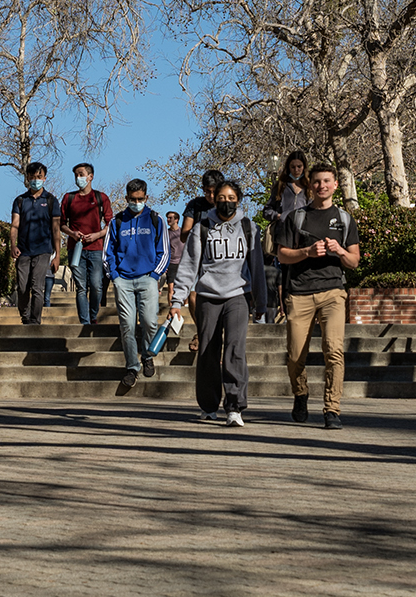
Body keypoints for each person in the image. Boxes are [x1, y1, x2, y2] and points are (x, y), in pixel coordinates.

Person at [169, 181, 266, 427]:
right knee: (208, 350)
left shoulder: (249, 227)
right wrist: (177, 300)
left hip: (238, 295)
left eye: (231, 197)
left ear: (239, 200)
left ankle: (234, 407)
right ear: (215, 200)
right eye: (222, 197)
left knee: (235, 349)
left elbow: (257, 267)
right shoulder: (201, 228)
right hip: (208, 296)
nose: (226, 201)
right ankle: (209, 406)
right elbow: (189, 266)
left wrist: (261, 302)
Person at [275, 164, 361, 429]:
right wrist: (307, 252)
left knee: (334, 351)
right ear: (310, 186)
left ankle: (332, 409)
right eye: (316, 182)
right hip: (300, 293)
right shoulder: (296, 218)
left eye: (327, 181)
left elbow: (354, 261)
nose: (322, 186)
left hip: (333, 292)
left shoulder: (345, 220)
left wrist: (341, 252)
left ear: (336, 185)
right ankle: (300, 394)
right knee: (294, 356)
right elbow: (281, 255)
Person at [104, 179, 171, 394]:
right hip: (123, 279)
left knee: (151, 322)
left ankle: (148, 356)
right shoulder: (117, 221)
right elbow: (108, 252)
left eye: (140, 199)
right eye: (133, 199)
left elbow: (164, 251)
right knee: (128, 326)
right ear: (126, 199)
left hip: (148, 278)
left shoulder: (155, 219)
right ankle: (132, 367)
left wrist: (155, 275)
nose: (136, 202)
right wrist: (114, 275)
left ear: (146, 198)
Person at [59, 163, 113, 324]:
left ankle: (94, 314)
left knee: (96, 285)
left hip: (96, 249)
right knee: (81, 287)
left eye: (81, 174)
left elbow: (111, 224)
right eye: (76, 175)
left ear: (90, 176)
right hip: (75, 249)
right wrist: (72, 234)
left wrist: (98, 234)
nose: (78, 178)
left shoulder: (101, 198)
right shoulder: (69, 198)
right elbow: (61, 223)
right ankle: (85, 321)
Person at [260, 151, 310, 319]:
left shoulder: (309, 187)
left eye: (299, 167)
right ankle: (288, 311)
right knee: (287, 275)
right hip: (285, 236)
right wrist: (279, 216)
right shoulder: (281, 186)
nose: (296, 170)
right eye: (293, 167)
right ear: (288, 167)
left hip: (304, 236)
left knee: (303, 272)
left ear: (304, 167)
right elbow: (266, 211)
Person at [8, 163, 58, 325]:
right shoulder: (20, 200)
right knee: (22, 288)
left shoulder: (51, 200)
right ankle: (25, 316)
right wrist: (13, 245)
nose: (35, 180)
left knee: (37, 287)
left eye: (38, 177)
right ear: (27, 178)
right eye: (32, 177)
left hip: (43, 250)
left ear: (44, 178)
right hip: (23, 251)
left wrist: (56, 255)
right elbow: (15, 224)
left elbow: (56, 229)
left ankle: (35, 321)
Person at [179, 168, 225, 242]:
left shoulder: (228, 206)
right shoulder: (194, 205)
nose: (211, 196)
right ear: (203, 189)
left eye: (215, 191)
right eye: (208, 191)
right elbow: (184, 237)